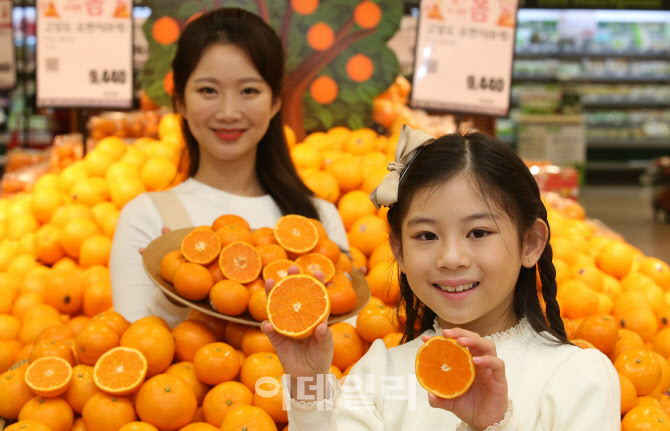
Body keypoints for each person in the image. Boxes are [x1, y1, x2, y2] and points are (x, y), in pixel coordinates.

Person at [262, 125, 620, 430]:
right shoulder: (377, 373)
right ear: (398, 250)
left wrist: (491, 425)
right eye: (427, 236)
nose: (451, 259)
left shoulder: (580, 377)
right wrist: (308, 384)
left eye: (479, 232)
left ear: (531, 242)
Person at [110, 8, 348, 328]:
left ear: (275, 102)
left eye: (249, 91)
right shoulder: (146, 217)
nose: (228, 112)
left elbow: (348, 348)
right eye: (208, 90)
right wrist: (173, 293)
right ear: (180, 101)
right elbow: (131, 347)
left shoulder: (317, 220)